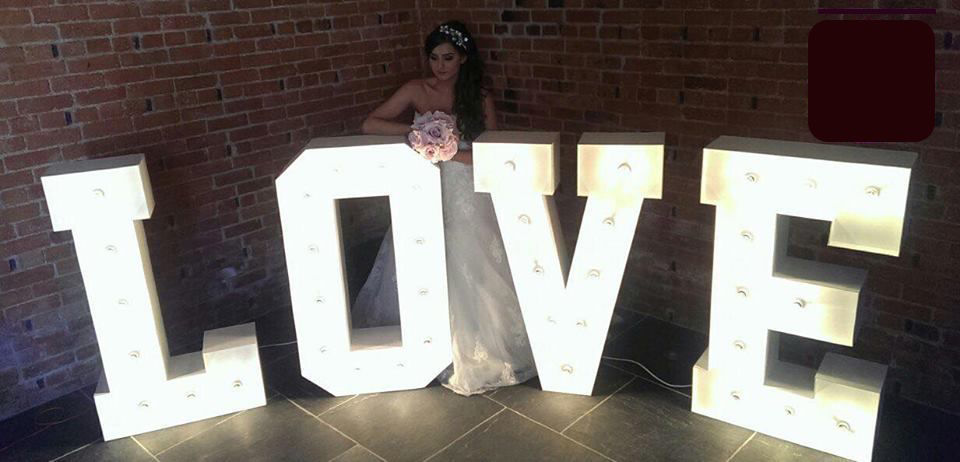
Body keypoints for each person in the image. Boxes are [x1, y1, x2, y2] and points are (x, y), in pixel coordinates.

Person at [355, 21, 537, 395]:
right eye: (434, 58)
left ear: (463, 58)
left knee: (471, 257)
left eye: (448, 58)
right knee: (422, 251)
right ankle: (422, 339)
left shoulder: (478, 96)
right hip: (423, 184)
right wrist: (416, 135)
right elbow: (370, 123)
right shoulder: (415, 89)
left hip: (466, 186)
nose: (440, 66)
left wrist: (452, 152)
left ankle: (477, 341)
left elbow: (491, 151)